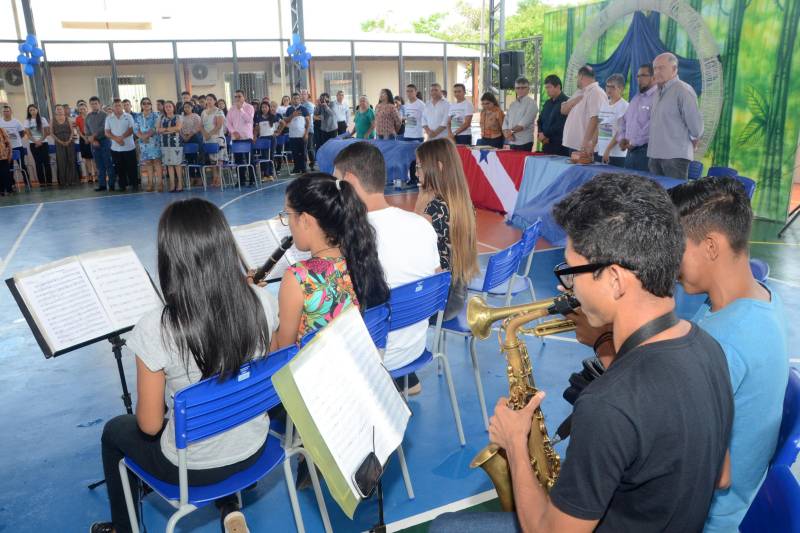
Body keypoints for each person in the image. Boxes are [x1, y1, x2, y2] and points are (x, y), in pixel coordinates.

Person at [431, 173, 734, 533]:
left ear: (616, 279)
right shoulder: (709, 349)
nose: (566, 286)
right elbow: (722, 478)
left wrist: (514, 442)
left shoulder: (607, 404)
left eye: (573, 272)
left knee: (445, 527)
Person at [89, 198, 277, 533]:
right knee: (226, 396)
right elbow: (268, 366)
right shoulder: (262, 300)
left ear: (169, 258)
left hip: (194, 470)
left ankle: (124, 527)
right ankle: (230, 503)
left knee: (115, 431)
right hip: (256, 448)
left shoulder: (156, 327)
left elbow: (148, 425)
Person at [668, 177, 788, 531]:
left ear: (710, 246)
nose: (669, 260)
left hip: (702, 519)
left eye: (676, 247)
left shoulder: (727, 340)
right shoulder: (757, 297)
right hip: (732, 505)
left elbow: (672, 457)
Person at [333, 142, 440, 389]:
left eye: (337, 182)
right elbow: (434, 281)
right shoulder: (422, 225)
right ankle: (404, 381)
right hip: (413, 349)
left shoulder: (349, 237)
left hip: (374, 356)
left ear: (349, 180)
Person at [272, 173, 389, 349]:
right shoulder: (362, 258)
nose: (288, 222)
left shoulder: (298, 278)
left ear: (304, 220)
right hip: (356, 367)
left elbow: (281, 352)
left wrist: (260, 308)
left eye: (288, 214)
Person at [414, 138, 479, 319]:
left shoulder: (433, 208)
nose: (417, 173)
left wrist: (420, 203)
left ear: (439, 167)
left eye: (419, 166)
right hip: (457, 295)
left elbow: (409, 247)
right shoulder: (462, 203)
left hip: (437, 304)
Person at [648, 52, 703, 179]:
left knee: (675, 197)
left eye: (661, 68)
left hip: (675, 158)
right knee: (656, 198)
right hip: (654, 156)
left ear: (674, 69)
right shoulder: (657, 92)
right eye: (655, 68)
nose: (656, 72)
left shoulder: (683, 90)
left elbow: (696, 128)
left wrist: (694, 137)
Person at [616, 63, 658, 171]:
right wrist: (621, 139)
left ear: (653, 77)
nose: (639, 79)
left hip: (646, 153)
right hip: (630, 152)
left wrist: (633, 142)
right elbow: (623, 120)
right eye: (638, 76)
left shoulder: (658, 98)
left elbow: (652, 126)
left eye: (643, 75)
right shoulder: (636, 98)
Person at [561, 65, 607, 155]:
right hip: (575, 145)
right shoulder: (579, 92)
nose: (576, 80)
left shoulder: (596, 92)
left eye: (577, 77)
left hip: (585, 148)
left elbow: (595, 119)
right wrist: (573, 101)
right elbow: (563, 110)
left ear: (581, 76)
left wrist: (586, 143)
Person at [596, 73, 629, 167]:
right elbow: (599, 126)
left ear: (621, 88)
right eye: (607, 86)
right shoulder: (604, 104)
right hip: (601, 151)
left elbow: (621, 132)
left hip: (616, 155)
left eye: (612, 87)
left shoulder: (625, 106)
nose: (609, 89)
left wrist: (608, 149)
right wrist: (593, 144)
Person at [105, 99, 137, 191]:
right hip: (115, 148)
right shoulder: (109, 118)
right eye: (115, 105)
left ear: (122, 106)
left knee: (132, 168)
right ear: (113, 107)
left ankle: (134, 184)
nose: (118, 107)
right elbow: (107, 132)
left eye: (119, 105)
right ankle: (122, 185)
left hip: (129, 147)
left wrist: (121, 137)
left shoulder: (129, 116)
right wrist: (117, 139)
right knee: (119, 168)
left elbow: (132, 129)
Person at [276, 92, 310, 174]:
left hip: (302, 134)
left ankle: (304, 168)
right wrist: (293, 115)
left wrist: (306, 133)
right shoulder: (289, 109)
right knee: (295, 153)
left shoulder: (304, 109)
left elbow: (308, 122)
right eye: (294, 99)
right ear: (292, 100)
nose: (296, 100)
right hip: (292, 135)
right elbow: (286, 120)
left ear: (300, 99)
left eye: (297, 98)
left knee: (303, 152)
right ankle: (296, 168)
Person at [227, 90, 255, 186]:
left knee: (250, 159)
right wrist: (233, 132)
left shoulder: (249, 107)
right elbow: (228, 123)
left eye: (239, 96)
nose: (237, 98)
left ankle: (252, 179)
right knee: (238, 160)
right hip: (236, 138)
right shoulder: (231, 109)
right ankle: (241, 180)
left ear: (244, 97)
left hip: (247, 137)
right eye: (236, 96)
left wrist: (241, 109)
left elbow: (249, 120)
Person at [134, 98, 162, 192]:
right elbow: (135, 129)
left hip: (154, 141)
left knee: (157, 162)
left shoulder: (156, 115)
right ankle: (150, 183)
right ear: (141, 105)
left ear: (151, 105)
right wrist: (142, 137)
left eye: (148, 103)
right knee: (148, 163)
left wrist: (146, 136)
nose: (146, 105)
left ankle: (160, 183)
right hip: (143, 143)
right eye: (144, 103)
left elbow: (155, 127)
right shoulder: (138, 117)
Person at [536, 74, 569, 156]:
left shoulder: (566, 102)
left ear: (558, 87)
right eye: (546, 87)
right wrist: (540, 133)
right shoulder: (547, 103)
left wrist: (545, 135)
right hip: (546, 145)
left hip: (560, 147)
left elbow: (561, 124)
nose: (547, 90)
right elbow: (540, 120)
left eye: (549, 87)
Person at [85, 96, 114, 191]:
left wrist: (94, 136)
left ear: (99, 104)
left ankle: (112, 184)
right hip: (94, 143)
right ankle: (102, 185)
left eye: (95, 103)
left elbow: (103, 128)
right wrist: (92, 140)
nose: (94, 105)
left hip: (105, 141)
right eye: (92, 104)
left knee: (108, 163)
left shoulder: (105, 115)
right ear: (90, 105)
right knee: (99, 165)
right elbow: (87, 130)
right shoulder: (88, 116)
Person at [501, 77, 537, 152]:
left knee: (522, 163)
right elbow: (506, 121)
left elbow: (523, 124)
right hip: (511, 141)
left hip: (524, 142)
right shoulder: (513, 104)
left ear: (528, 89)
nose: (520, 90)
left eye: (523, 88)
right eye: (518, 88)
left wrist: (510, 132)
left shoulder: (532, 104)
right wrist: (506, 133)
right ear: (515, 89)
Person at [158, 100, 184, 193]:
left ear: (173, 107)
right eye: (166, 107)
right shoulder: (161, 118)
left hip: (176, 143)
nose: (168, 108)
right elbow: (158, 130)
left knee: (177, 164)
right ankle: (172, 184)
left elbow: (178, 128)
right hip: (165, 143)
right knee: (169, 164)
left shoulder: (178, 117)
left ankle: (180, 183)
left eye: (170, 106)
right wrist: (170, 130)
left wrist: (164, 130)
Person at [202, 93, 227, 187]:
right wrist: (205, 134)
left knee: (218, 160)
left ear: (215, 101)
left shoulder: (219, 111)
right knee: (212, 160)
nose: (208, 101)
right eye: (207, 99)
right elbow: (201, 125)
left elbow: (219, 125)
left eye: (210, 99)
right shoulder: (203, 112)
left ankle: (219, 179)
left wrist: (209, 134)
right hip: (208, 139)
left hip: (218, 138)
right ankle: (214, 178)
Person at [24, 104, 52, 187]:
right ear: (29, 112)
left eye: (34, 109)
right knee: (38, 163)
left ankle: (49, 181)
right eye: (30, 110)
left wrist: (40, 141)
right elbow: (28, 134)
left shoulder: (42, 119)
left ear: (37, 110)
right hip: (33, 144)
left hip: (44, 143)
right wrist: (36, 142)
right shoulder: (27, 121)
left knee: (46, 162)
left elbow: (47, 132)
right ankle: (42, 182)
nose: (32, 111)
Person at [51, 104, 79, 187]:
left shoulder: (68, 119)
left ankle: (73, 180)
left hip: (69, 142)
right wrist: (60, 141)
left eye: (61, 109)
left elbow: (72, 131)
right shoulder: (52, 120)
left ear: (63, 110)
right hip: (59, 143)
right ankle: (64, 181)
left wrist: (69, 140)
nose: (59, 110)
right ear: (55, 111)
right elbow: (51, 133)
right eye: (58, 109)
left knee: (71, 160)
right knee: (61, 161)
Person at [180, 101, 203, 185]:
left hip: (195, 138)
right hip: (184, 139)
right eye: (185, 107)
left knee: (197, 159)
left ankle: (200, 177)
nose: (186, 108)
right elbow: (179, 128)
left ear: (192, 107)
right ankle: (192, 177)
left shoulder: (196, 116)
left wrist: (189, 135)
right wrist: (183, 136)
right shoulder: (181, 117)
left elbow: (198, 127)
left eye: (188, 107)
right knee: (189, 159)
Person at [2, 104, 28, 171]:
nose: (6, 113)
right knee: (8, 168)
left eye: (7, 111)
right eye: (4, 111)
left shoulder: (16, 121)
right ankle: (11, 181)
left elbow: (22, 133)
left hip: (18, 146)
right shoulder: (0, 121)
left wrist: (12, 137)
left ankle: (27, 181)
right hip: (5, 148)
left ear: (11, 112)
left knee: (22, 166)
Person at [75, 101, 96, 182]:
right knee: (87, 158)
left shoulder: (91, 116)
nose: (82, 110)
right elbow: (78, 130)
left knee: (94, 157)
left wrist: (90, 137)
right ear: (79, 110)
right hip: (83, 139)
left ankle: (96, 175)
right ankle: (90, 175)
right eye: (81, 109)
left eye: (84, 108)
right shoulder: (78, 118)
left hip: (92, 137)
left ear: (87, 109)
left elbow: (94, 128)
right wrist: (84, 138)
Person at [299, 89, 316, 170]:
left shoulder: (309, 105)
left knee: (309, 147)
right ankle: (304, 165)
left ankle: (312, 164)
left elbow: (306, 117)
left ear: (307, 95)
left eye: (304, 94)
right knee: (303, 148)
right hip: (300, 130)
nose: (302, 96)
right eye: (301, 94)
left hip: (309, 129)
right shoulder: (299, 105)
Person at [0, 125, 12, 195]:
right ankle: (1, 191)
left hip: (4, 156)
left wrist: (10, 153)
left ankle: (9, 189)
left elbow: (8, 143)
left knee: (6, 174)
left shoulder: (2, 130)